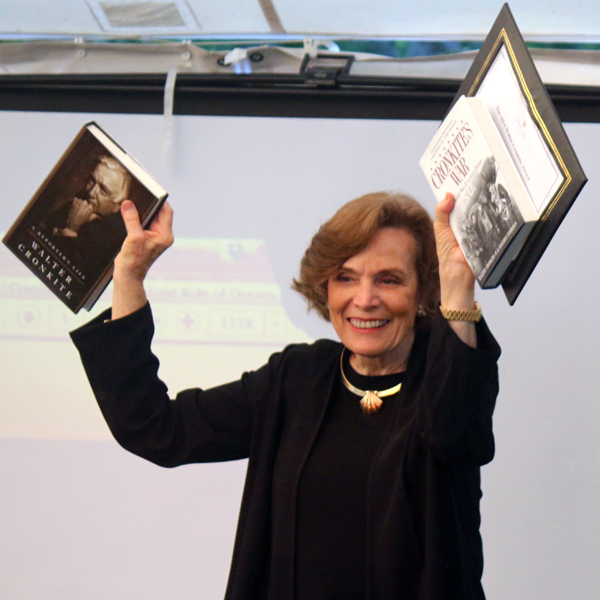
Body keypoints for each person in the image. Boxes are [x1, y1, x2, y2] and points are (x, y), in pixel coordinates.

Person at [70, 190, 500, 600]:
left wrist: (458, 290)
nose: (364, 299)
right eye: (345, 278)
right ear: (325, 287)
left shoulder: (452, 377)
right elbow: (156, 428)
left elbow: (451, 431)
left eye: (388, 280)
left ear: (423, 290)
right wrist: (129, 275)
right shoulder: (295, 379)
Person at [41, 155, 131, 276]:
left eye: (103, 191)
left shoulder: (116, 238)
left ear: (117, 206)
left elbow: (76, 275)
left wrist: (71, 230)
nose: (91, 192)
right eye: (91, 181)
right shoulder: (79, 200)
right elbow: (43, 231)